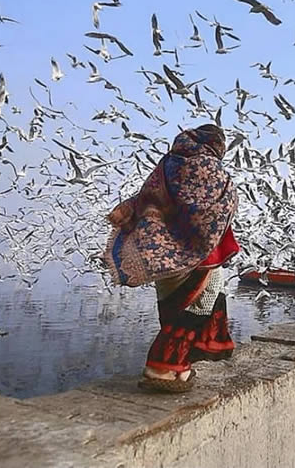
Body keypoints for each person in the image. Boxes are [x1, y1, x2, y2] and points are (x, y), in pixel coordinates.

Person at [104, 124, 240, 392]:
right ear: (216, 144)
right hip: (198, 254)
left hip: (163, 253)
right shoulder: (209, 167)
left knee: (172, 309)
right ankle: (160, 368)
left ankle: (181, 368)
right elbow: (216, 206)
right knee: (195, 308)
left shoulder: (167, 164)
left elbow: (148, 197)